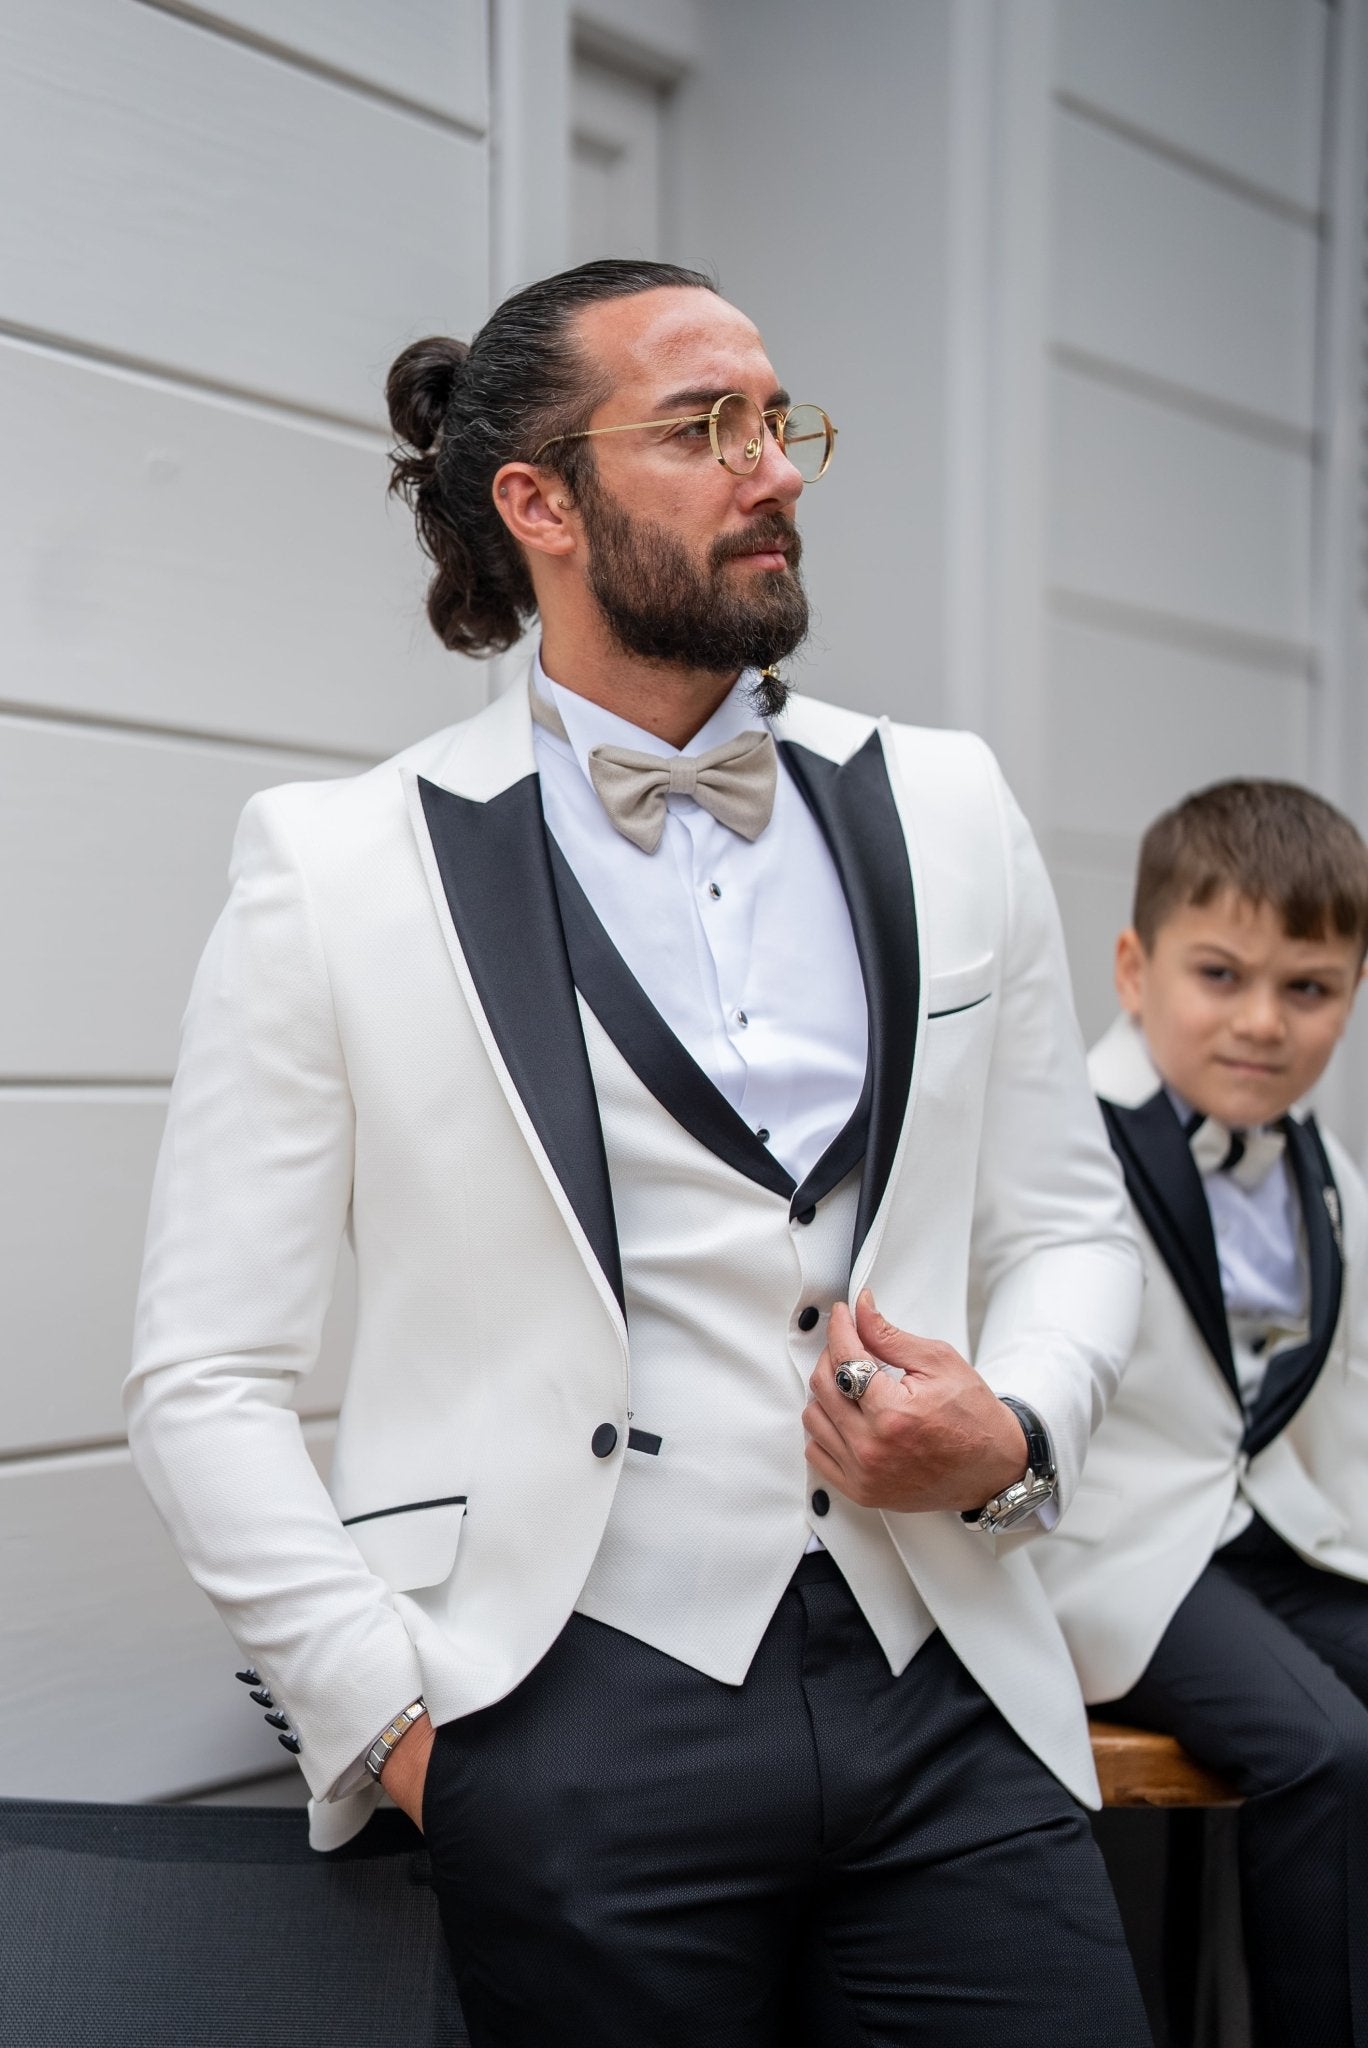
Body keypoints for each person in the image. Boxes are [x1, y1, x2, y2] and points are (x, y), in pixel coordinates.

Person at [125, 257, 1150, 2045]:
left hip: (950, 1696)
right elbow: (204, 1372)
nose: (774, 468)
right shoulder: (336, 863)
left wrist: (1017, 1426)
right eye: (701, 428)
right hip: (569, 1719)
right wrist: (402, 1725)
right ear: (538, 503)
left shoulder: (951, 805)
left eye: (775, 418)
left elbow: (1068, 1221)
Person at [1033, 779, 1368, 2047]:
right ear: (1134, 966)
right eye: (1220, 975)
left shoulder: (1327, 1172)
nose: (1262, 1024)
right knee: (1322, 1750)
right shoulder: (1064, 1131)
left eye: (1310, 988)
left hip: (1274, 1531)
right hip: (1119, 1548)